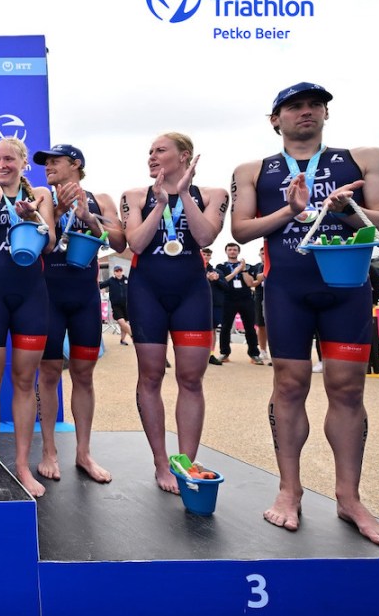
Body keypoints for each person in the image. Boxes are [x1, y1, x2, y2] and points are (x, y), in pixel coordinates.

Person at [231, 82, 379, 546]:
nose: (305, 112)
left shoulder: (363, 158)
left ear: (325, 114)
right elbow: (241, 229)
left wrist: (346, 209)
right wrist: (290, 210)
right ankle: (290, 489)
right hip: (288, 288)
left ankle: (350, 497)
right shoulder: (253, 170)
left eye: (314, 105)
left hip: (345, 286)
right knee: (289, 384)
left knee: (347, 387)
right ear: (275, 120)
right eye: (294, 107)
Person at [120, 133, 227, 493]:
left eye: (160, 151)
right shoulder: (134, 196)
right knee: (150, 376)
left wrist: (182, 195)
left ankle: (185, 463)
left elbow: (205, 237)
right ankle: (161, 463)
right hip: (146, 289)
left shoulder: (213, 194)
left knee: (191, 379)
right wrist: (158, 204)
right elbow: (135, 242)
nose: (151, 156)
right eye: (149, 150)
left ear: (184, 156)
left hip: (191, 291)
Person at [0, 137, 56, 497]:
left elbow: (48, 244)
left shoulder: (41, 194)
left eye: (9, 159)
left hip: (32, 292)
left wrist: (32, 215)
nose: (2, 164)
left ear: (22, 162)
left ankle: (20, 464)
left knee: (24, 380)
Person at [32, 144, 126, 483]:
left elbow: (119, 243)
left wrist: (88, 217)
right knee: (49, 374)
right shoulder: (41, 198)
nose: (48, 167)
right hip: (48, 297)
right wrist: (55, 211)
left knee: (84, 375)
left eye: (55, 161)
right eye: (46, 163)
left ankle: (84, 453)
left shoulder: (100, 198)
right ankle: (48, 451)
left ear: (76, 165)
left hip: (84, 297)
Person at [216, 242, 264, 364]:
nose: (232, 251)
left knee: (250, 328)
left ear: (238, 252)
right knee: (225, 327)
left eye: (235, 249)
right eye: (230, 249)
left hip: (246, 299)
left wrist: (243, 270)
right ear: (226, 251)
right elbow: (223, 281)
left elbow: (250, 283)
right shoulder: (221, 266)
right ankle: (224, 353)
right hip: (228, 298)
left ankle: (254, 354)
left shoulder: (247, 266)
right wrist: (235, 271)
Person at [202, 248, 227, 365]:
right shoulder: (193, 270)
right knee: (196, 329)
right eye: (204, 254)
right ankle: (198, 354)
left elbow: (226, 287)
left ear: (210, 257)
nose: (206, 257)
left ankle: (211, 354)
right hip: (197, 304)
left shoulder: (217, 271)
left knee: (212, 329)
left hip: (215, 304)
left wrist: (216, 280)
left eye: (208, 255)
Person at [99, 266, 131, 345]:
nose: (119, 272)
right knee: (121, 322)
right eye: (117, 271)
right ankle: (134, 336)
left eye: (120, 270)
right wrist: (102, 289)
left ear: (122, 271)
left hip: (126, 305)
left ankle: (122, 340)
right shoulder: (111, 280)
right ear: (114, 272)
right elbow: (100, 285)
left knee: (124, 324)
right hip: (116, 305)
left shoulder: (127, 279)